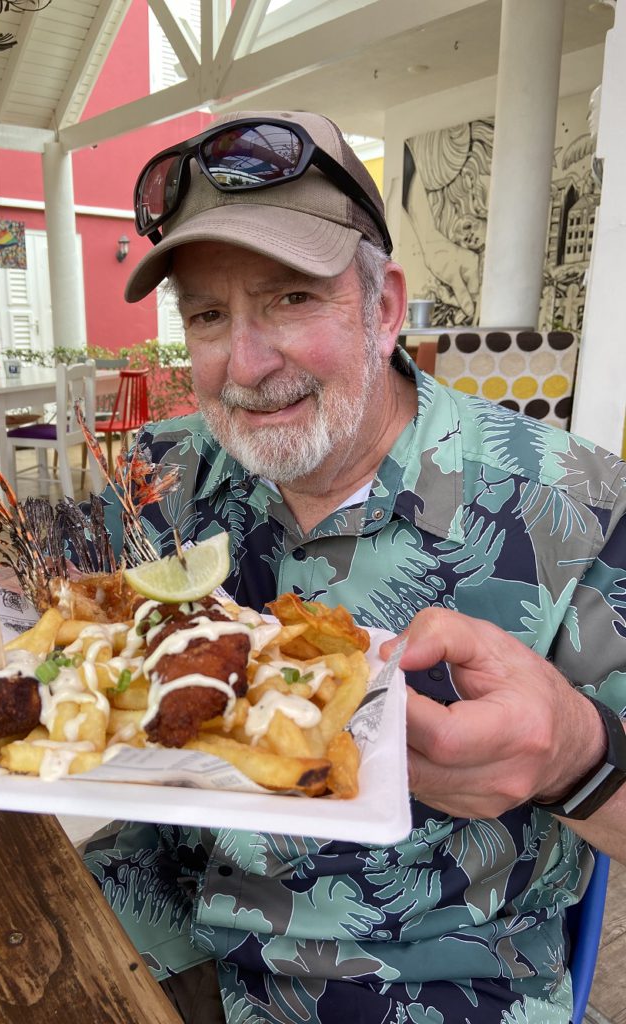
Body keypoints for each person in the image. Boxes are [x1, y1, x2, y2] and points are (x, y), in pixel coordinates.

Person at [78, 111, 626, 1024]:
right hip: (163, 922)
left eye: (293, 297)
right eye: (208, 315)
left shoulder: (577, 503)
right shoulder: (153, 476)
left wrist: (573, 757)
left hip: (422, 982)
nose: (245, 365)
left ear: (384, 308)